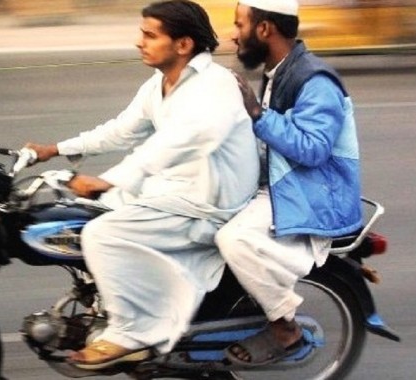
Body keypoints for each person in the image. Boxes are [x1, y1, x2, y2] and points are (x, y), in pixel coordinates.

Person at [24, 0, 259, 370]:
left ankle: (130, 335)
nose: (139, 42)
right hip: (177, 191)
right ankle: (117, 303)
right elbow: (122, 130)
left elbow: (180, 142)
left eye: (150, 35)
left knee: (102, 235)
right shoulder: (161, 84)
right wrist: (55, 149)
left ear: (183, 45)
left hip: (208, 205)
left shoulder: (214, 87)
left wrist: (111, 179)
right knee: (84, 216)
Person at [215, 0, 363, 367]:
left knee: (233, 238)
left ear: (264, 29)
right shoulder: (279, 70)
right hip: (284, 184)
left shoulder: (314, 80)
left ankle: (284, 328)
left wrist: (257, 113)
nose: (233, 34)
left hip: (312, 193)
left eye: (239, 24)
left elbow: (313, 149)